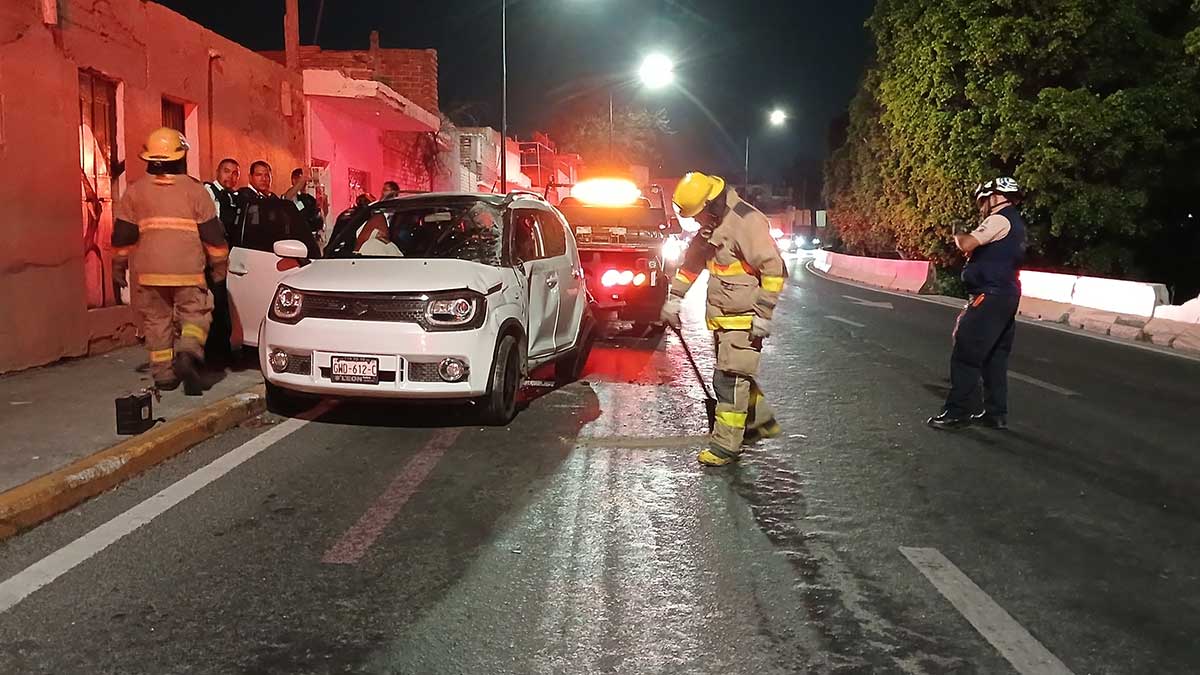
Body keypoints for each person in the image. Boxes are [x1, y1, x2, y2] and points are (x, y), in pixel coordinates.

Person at [661, 172, 787, 467]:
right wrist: (675, 298)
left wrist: (763, 315)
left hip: (744, 321)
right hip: (724, 320)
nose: (696, 222)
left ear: (710, 204)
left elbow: (773, 269)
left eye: (698, 215)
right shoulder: (712, 224)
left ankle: (726, 447)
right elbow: (692, 263)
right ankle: (750, 428)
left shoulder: (746, 221)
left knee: (728, 381)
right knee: (736, 378)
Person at [111, 128, 229, 394]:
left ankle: (164, 375)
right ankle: (188, 350)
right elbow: (213, 237)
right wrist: (220, 269)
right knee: (195, 315)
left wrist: (117, 268)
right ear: (180, 158)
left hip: (148, 272)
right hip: (187, 270)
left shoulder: (134, 192)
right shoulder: (195, 191)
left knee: (156, 321)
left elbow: (122, 237)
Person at [927, 177, 1027, 430]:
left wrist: (958, 233)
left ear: (994, 196)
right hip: (1006, 295)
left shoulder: (998, 218)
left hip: (989, 296)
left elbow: (968, 243)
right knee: (994, 357)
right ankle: (995, 413)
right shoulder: (1016, 222)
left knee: (966, 355)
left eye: (983, 200)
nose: (981, 205)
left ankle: (957, 412)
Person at [202, 158, 240, 367]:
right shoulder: (208, 191)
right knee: (214, 307)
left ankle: (223, 352)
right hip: (211, 259)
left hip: (231, 259)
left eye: (235, 173)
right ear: (218, 171)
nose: (231, 176)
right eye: (227, 171)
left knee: (225, 306)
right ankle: (213, 357)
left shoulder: (234, 197)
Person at [284, 167, 325, 240]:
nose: (305, 182)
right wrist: (303, 178)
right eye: (301, 179)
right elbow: (288, 197)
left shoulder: (310, 198)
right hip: (297, 238)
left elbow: (319, 214)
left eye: (305, 179)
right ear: (294, 180)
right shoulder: (292, 196)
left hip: (313, 237)